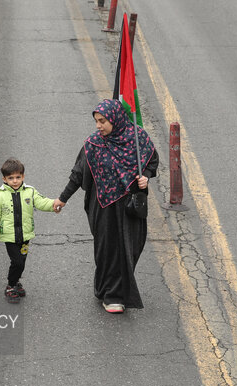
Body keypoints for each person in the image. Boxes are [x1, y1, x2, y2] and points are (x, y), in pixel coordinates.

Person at [54, 99, 159, 313]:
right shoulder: (94, 144)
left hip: (130, 207)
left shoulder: (138, 139)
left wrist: (145, 177)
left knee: (130, 248)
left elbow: (152, 161)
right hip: (103, 207)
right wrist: (62, 198)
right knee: (109, 250)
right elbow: (78, 174)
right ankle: (113, 295)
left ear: (116, 119)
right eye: (96, 121)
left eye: (102, 121)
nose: (98, 126)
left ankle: (108, 288)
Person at [0, 158, 61, 303]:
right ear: (4, 179)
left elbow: (42, 202)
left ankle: (16, 282)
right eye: (11, 178)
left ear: (23, 176)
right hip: (9, 236)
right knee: (17, 262)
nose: (15, 181)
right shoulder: (0, 195)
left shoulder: (30, 192)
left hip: (25, 235)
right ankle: (11, 285)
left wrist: (54, 204)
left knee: (22, 261)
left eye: (18, 177)